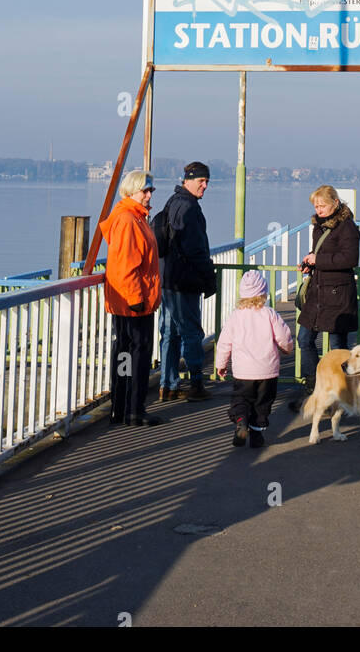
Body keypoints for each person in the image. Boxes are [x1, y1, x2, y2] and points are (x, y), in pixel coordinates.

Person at [100, 170, 163, 427]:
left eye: (151, 191)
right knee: (134, 354)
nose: (149, 196)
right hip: (133, 302)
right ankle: (131, 408)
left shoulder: (135, 218)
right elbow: (127, 264)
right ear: (131, 192)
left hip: (132, 300)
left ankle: (123, 407)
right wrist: (137, 298)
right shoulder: (128, 220)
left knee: (126, 353)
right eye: (145, 191)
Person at [289, 185, 360, 411]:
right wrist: (310, 264)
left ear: (335, 203)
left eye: (322, 205)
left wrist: (316, 260)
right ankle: (314, 388)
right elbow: (321, 255)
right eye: (316, 206)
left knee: (338, 347)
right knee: (304, 340)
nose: (318, 209)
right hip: (318, 292)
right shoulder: (318, 226)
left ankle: (337, 395)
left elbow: (349, 259)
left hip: (338, 294)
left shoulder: (348, 227)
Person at [158, 161, 217, 403]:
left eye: (207, 182)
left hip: (168, 279)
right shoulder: (190, 208)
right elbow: (195, 249)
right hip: (185, 280)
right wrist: (209, 277)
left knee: (170, 333)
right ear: (188, 180)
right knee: (192, 332)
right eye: (201, 181)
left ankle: (168, 385)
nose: (205, 186)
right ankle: (196, 383)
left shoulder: (172, 202)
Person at [216, 269, 294, 448]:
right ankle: (257, 436)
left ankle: (241, 421)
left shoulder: (236, 316)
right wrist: (286, 348)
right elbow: (283, 336)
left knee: (241, 400)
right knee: (262, 404)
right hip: (268, 371)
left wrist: (221, 364)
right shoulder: (270, 313)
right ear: (264, 293)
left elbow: (224, 342)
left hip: (243, 372)